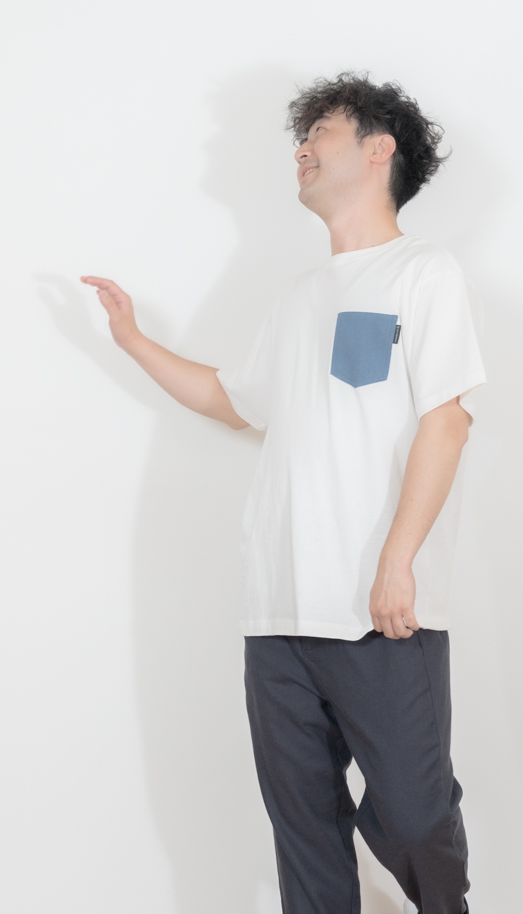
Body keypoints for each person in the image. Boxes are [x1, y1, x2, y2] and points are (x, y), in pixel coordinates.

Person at [81, 72, 486, 914]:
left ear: (378, 151)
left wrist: (398, 562)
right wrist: (134, 342)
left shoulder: (422, 273)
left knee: (415, 818)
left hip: (380, 611)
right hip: (277, 616)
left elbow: (446, 425)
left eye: (320, 133)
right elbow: (234, 400)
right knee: (303, 837)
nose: (301, 150)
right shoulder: (299, 298)